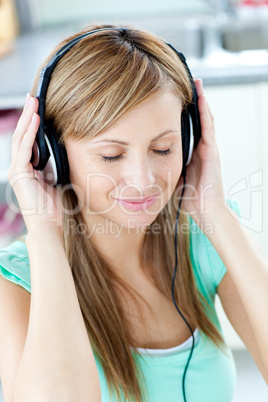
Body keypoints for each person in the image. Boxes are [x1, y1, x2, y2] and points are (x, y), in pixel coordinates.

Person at [0, 23, 267, 402]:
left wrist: (216, 213)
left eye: (162, 149)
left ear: (189, 142)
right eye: (112, 155)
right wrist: (45, 231)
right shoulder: (15, 283)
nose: (143, 181)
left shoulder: (201, 239)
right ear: (52, 154)